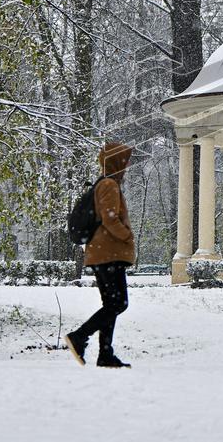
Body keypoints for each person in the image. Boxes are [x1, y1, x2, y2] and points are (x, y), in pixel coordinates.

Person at [64, 141, 135, 368]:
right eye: (124, 161)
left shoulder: (105, 183)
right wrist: (127, 236)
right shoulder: (109, 185)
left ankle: (105, 354)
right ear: (117, 163)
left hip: (103, 254)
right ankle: (79, 336)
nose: (126, 166)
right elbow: (109, 217)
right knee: (118, 303)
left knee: (111, 304)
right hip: (108, 254)